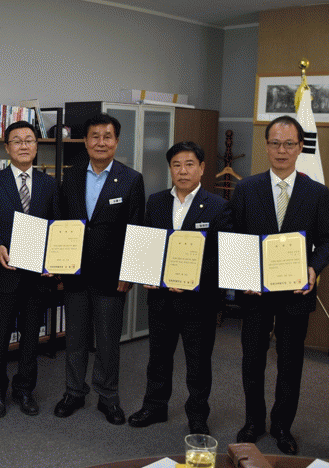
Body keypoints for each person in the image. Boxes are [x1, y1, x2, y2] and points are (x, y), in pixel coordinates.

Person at [228, 116, 329, 454]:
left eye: (289, 144)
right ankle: (253, 421)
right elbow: (232, 236)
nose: (282, 150)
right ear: (266, 146)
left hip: (295, 292)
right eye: (275, 143)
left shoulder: (316, 192)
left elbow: (328, 241)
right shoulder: (247, 188)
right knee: (252, 360)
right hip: (255, 292)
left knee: (290, 363)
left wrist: (313, 269)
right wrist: (243, 274)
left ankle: (282, 426)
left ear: (300, 147)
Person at [127, 141, 227, 434]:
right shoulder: (156, 201)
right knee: (158, 358)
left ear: (202, 168)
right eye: (177, 165)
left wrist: (192, 279)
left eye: (189, 164)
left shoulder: (218, 206)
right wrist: (144, 271)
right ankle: (155, 407)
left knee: (198, 363)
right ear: (170, 169)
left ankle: (197, 415)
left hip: (198, 301)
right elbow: (148, 244)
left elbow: (221, 256)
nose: (183, 171)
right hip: (161, 299)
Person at [54, 113, 145, 425]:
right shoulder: (71, 176)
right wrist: (59, 264)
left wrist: (129, 273)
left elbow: (136, 230)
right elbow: (62, 222)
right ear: (85, 141)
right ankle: (74, 392)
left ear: (116, 142)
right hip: (75, 273)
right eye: (95, 136)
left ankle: (108, 396)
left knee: (107, 342)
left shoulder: (131, 179)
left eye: (108, 136)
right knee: (75, 339)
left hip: (111, 276)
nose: (101, 142)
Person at [0, 120, 60, 418]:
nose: (24, 146)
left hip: (37, 277)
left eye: (29, 140)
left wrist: (55, 260)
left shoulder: (50, 184)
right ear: (6, 148)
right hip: (4, 274)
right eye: (17, 141)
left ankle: (24, 389)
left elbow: (57, 227)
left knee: (31, 338)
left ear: (37, 146)